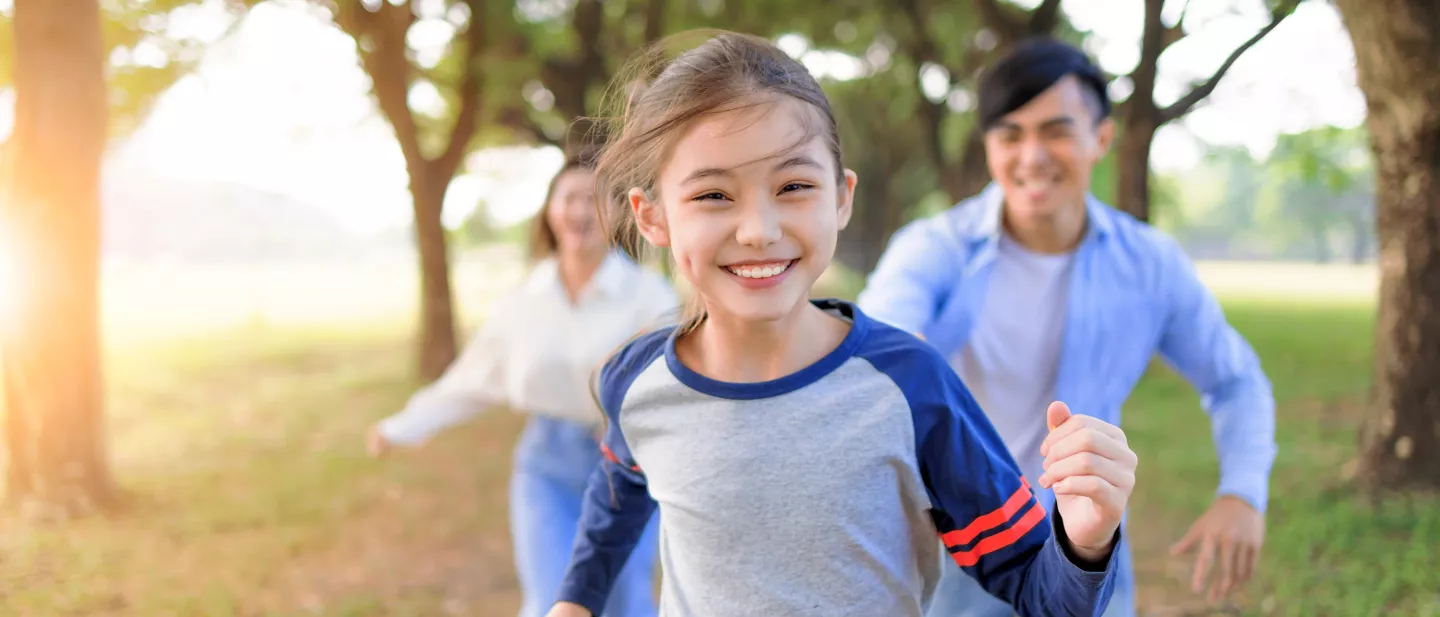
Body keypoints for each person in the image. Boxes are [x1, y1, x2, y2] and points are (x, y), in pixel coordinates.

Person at [542, 30, 1140, 617]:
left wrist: (1084, 540)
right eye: (713, 196)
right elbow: (614, 501)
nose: (759, 229)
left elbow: (1040, 590)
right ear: (652, 217)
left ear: (841, 197)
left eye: (794, 186)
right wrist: (575, 600)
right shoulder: (638, 382)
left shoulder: (911, 386)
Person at [856, 38, 1277, 617]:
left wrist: (1243, 493)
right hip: (953, 546)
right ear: (988, 146)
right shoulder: (934, 248)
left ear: (1101, 138)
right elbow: (882, 350)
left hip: (1085, 548)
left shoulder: (1149, 263)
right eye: (1010, 135)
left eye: (1055, 131)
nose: (1031, 157)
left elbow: (1234, 380)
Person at [366, 151, 675, 617]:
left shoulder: (649, 298)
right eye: (568, 197)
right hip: (545, 468)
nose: (579, 211)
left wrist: (626, 422)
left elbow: (673, 385)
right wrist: (403, 425)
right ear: (550, 211)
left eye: (593, 200)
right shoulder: (521, 303)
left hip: (625, 470)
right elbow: (473, 379)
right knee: (551, 600)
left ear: (618, 211)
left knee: (624, 599)